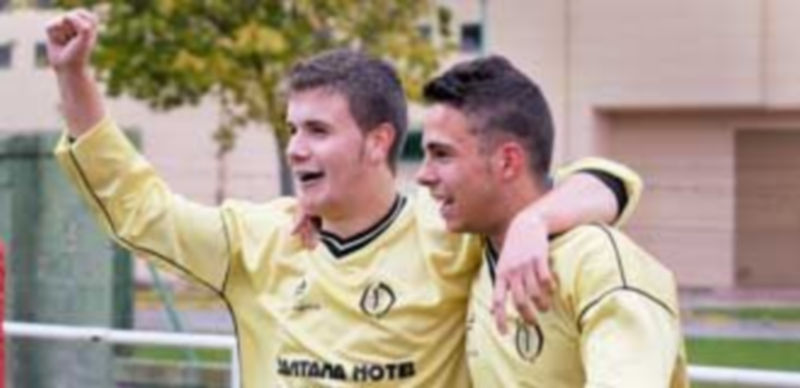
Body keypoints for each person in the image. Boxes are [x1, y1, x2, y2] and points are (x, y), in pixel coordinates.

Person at [46, 9, 641, 387]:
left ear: (379, 141)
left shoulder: (451, 236)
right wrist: (74, 80)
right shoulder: (259, 238)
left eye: (319, 131)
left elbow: (607, 181)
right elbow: (140, 208)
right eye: (292, 130)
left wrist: (535, 220)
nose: (296, 149)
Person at [417, 56, 688, 387]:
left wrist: (533, 221)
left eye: (442, 155)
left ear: (507, 162)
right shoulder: (470, 246)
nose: (423, 175)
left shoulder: (599, 263)